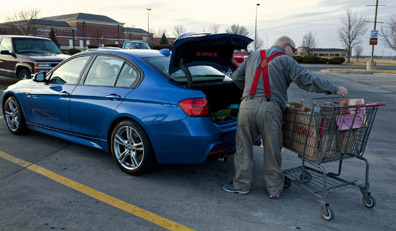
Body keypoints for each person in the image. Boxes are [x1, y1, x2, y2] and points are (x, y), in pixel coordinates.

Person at [222, 36, 348, 199]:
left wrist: (249, 92)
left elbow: (237, 77)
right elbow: (307, 80)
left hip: (246, 107)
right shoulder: (286, 61)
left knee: (243, 148)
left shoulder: (253, 56)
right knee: (272, 150)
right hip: (271, 109)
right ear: (285, 45)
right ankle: (274, 189)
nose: (294, 54)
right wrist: (334, 88)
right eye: (293, 50)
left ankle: (241, 186)